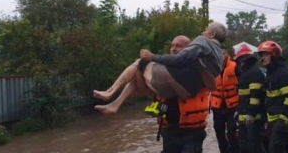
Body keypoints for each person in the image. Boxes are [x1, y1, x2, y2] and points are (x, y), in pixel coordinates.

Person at [93, 22, 227, 114]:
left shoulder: (203, 41)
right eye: (172, 46)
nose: (203, 32)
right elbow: (142, 91)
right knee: (137, 71)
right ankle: (114, 104)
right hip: (185, 94)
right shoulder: (220, 55)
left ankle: (110, 92)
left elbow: (180, 59)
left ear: (212, 33)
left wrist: (152, 56)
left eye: (207, 29)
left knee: (140, 61)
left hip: (177, 83)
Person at [258, 40, 288, 153]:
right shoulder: (270, 73)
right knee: (278, 148)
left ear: (274, 55)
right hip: (273, 118)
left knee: (274, 150)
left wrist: (283, 119)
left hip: (282, 119)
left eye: (265, 54)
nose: (262, 58)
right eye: (261, 55)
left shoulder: (284, 74)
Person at [234, 44, 265, 153]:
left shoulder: (254, 73)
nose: (239, 64)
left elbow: (255, 96)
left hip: (253, 117)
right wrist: (238, 110)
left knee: (253, 143)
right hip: (244, 115)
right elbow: (243, 97)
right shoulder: (246, 73)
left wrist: (251, 114)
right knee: (244, 142)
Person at [210, 47, 240, 153]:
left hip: (232, 105)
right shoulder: (211, 68)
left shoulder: (234, 67)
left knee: (232, 130)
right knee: (218, 130)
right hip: (217, 105)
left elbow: (243, 81)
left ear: (226, 54)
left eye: (222, 53)